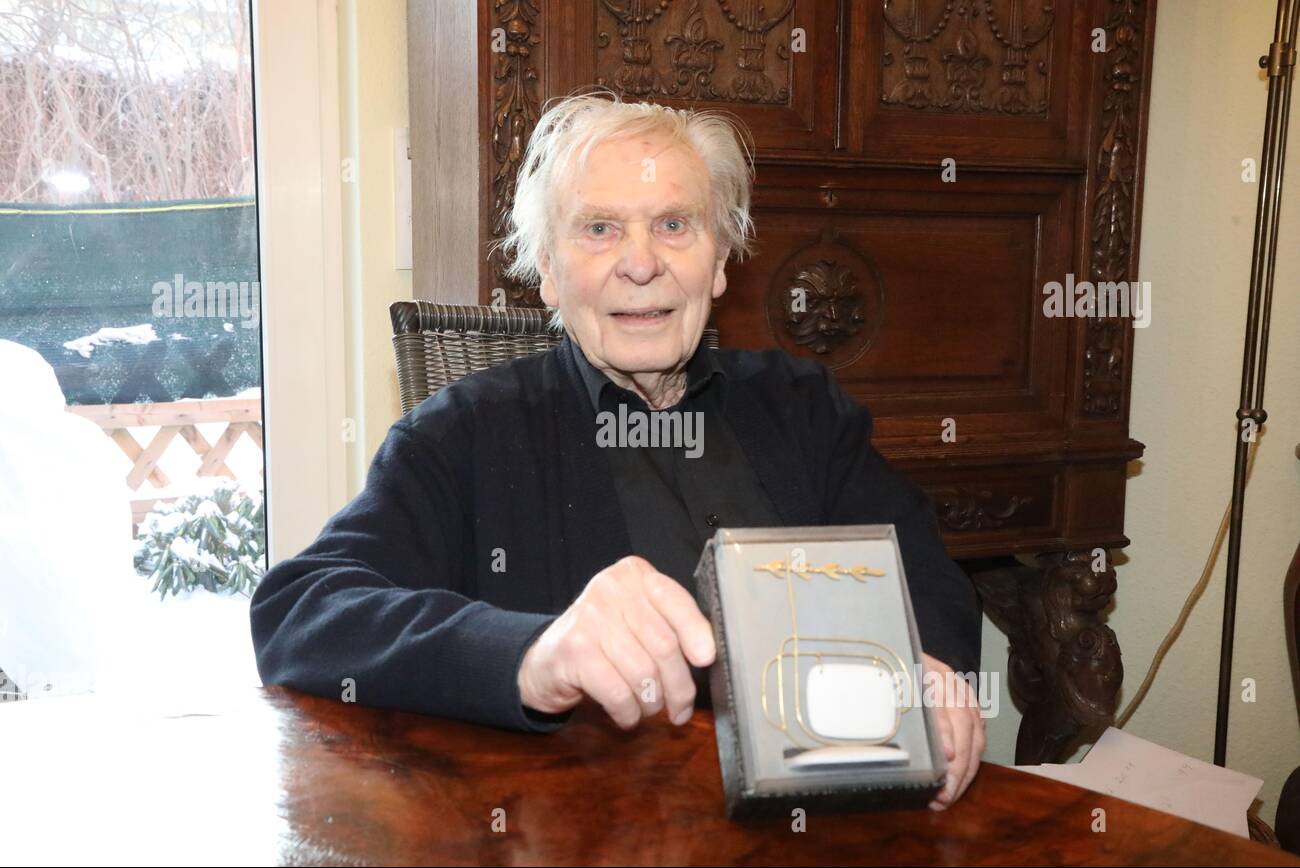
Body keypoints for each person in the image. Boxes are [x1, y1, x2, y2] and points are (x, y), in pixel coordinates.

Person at [250, 91, 985, 810]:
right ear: (546, 269)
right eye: (599, 229)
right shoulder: (463, 436)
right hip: (587, 835)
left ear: (721, 259)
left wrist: (928, 669)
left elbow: (930, 585)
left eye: (674, 224)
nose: (641, 264)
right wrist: (533, 655)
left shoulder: (805, 410)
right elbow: (302, 613)